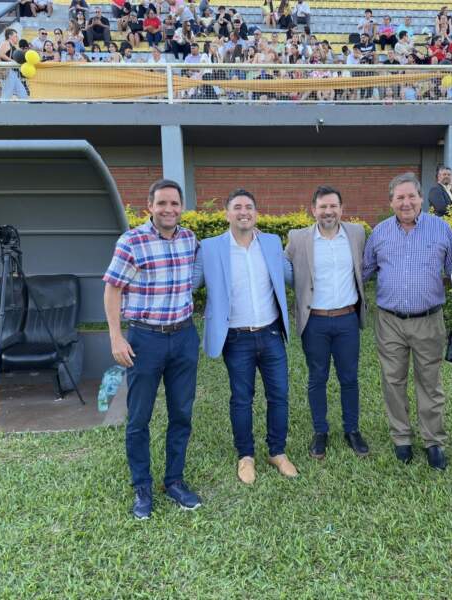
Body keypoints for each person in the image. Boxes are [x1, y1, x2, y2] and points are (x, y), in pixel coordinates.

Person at [103, 179, 202, 520]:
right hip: (145, 340)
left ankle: (174, 480)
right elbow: (113, 290)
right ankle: (142, 487)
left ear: (181, 206)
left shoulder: (189, 239)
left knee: (182, 414)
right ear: (150, 206)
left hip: (185, 336)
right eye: (162, 203)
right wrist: (116, 337)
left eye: (175, 203)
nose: (169, 209)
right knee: (139, 417)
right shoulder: (132, 241)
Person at [192, 189, 296, 485]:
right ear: (227, 214)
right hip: (236, 338)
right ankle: (246, 456)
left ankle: (277, 452)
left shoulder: (272, 242)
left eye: (249, 207)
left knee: (279, 395)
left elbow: (291, 275)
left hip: (271, 332)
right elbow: (191, 282)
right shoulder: (210, 248)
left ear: (256, 213)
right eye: (237, 207)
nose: (243, 212)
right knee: (241, 399)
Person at [362, 172, 452, 470]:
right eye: (399, 197)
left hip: (428, 320)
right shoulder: (379, 233)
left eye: (411, 196)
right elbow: (363, 271)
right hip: (389, 321)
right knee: (393, 380)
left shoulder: (440, 229)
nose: (406, 202)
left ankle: (434, 442)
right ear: (391, 201)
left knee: (430, 383)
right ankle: (401, 437)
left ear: (421, 198)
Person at [285, 186, 370, 459]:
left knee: (349, 377)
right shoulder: (298, 239)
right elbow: (283, 270)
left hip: (347, 319)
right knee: (317, 378)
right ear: (314, 210)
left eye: (333, 206)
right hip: (315, 322)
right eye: (322, 207)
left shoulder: (356, 234)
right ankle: (320, 431)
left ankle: (352, 430)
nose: (328, 211)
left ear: (341, 209)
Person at [0, 28, 29, 100]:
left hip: (13, 73)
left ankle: (25, 108)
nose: (17, 38)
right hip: (7, 72)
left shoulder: (12, 46)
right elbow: (0, 55)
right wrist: (12, 61)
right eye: (16, 36)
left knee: (23, 94)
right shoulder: (5, 43)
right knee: (6, 94)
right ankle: (0, 109)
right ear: (10, 36)